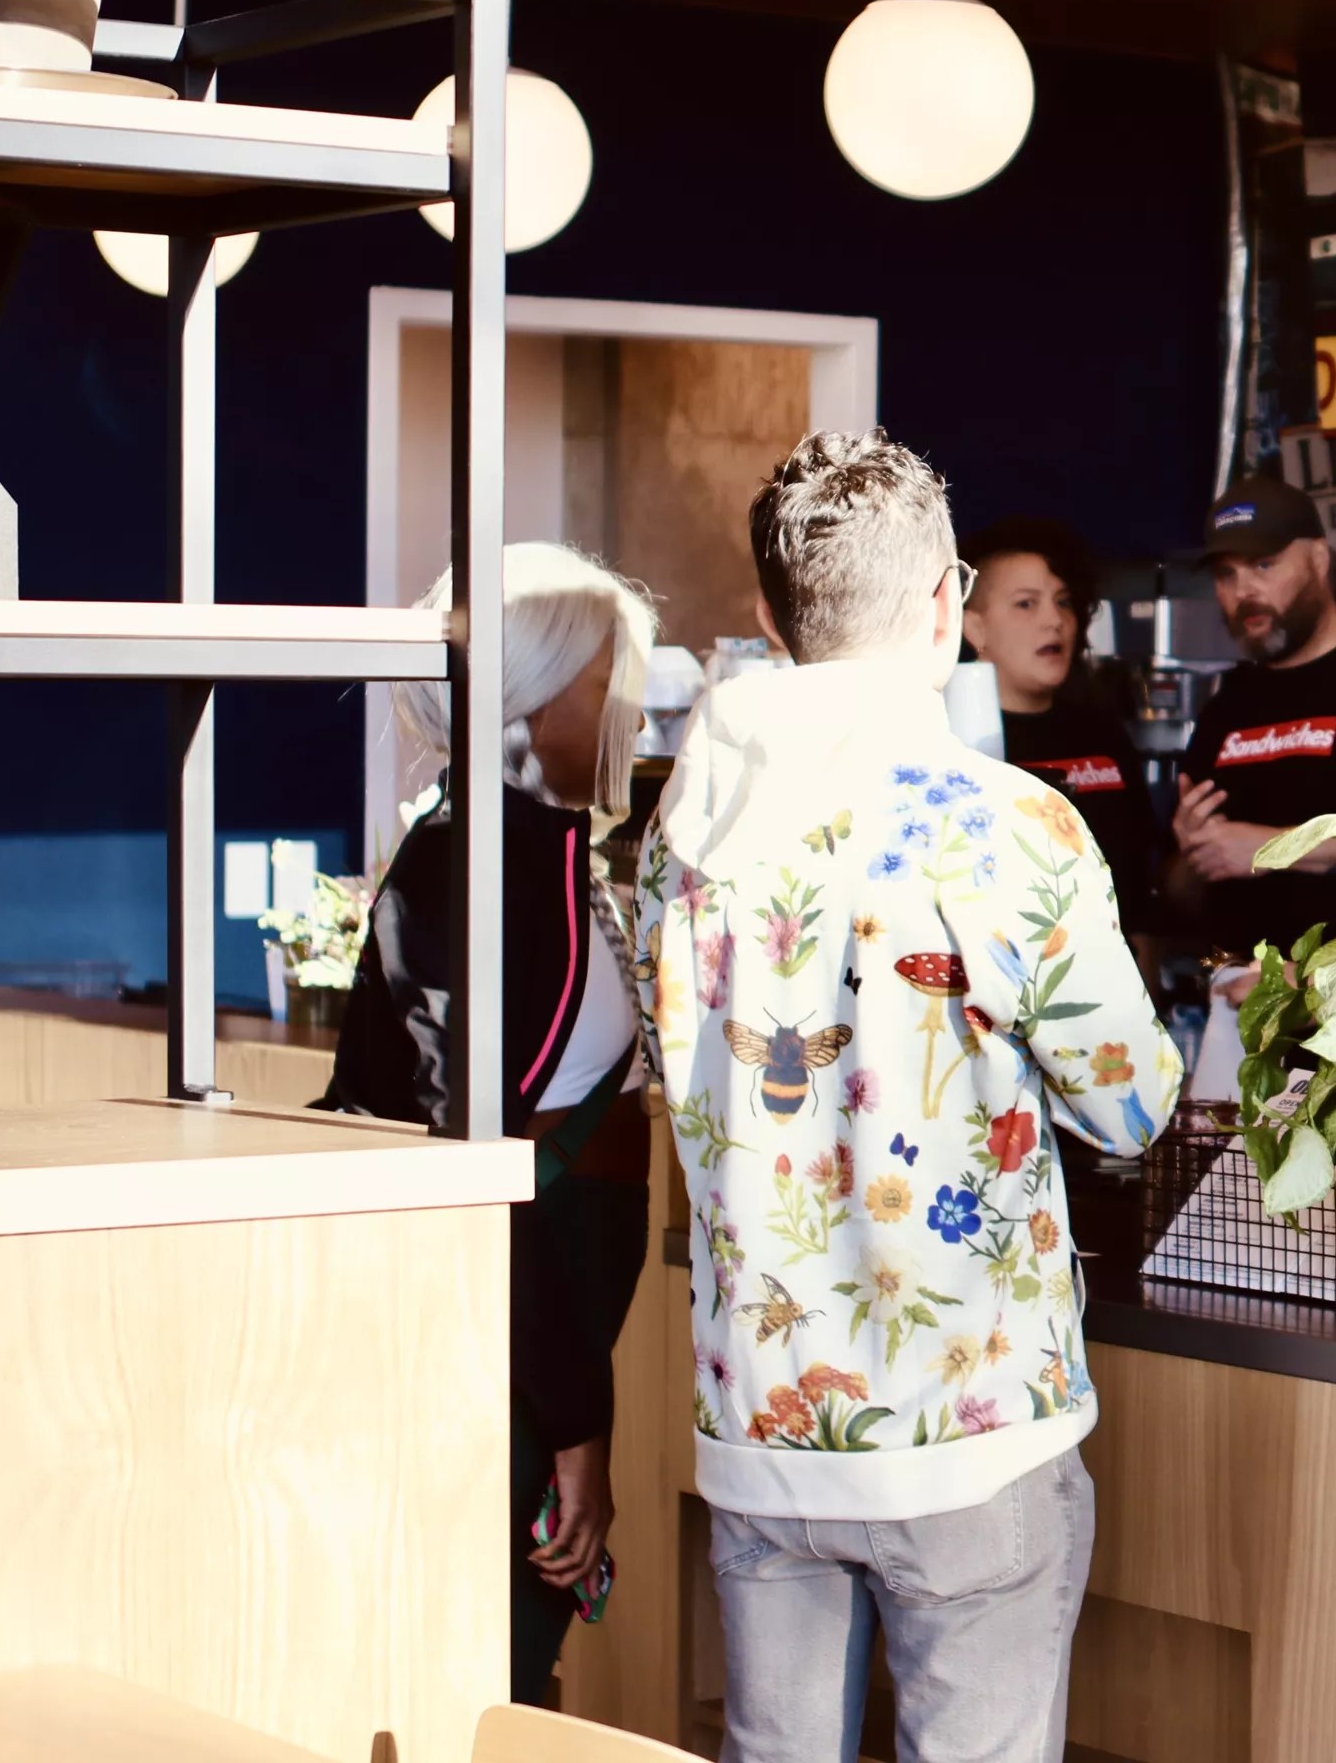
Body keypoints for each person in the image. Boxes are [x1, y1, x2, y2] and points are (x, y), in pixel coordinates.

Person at [637, 431, 1182, 1763]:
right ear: (947, 603)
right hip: (970, 1431)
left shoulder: (682, 834)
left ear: (769, 617)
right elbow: (1128, 1107)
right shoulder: (1001, 822)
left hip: (762, 1421)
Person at [319, 540, 661, 1706]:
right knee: (488, 1669)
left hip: (521, 1342)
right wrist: (576, 1428)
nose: (631, 702)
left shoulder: (513, 851)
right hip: (502, 1354)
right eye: (610, 673)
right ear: (538, 691)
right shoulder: (487, 864)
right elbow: (469, 1176)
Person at [1165, 473, 1336, 962]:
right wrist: (1193, 855)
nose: (1245, 591)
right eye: (1227, 574)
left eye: (1264, 564)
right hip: (1236, 1009)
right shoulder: (1225, 708)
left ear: (1319, 558)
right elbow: (1179, 894)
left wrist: (1273, 848)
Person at [957, 515, 1156, 942]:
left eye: (1063, 601)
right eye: (1026, 603)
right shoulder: (952, 741)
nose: (1054, 621)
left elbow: (1138, 894)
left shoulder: (1103, 735)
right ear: (973, 626)